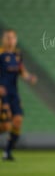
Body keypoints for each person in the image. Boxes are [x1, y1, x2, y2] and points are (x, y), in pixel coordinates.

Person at [0, 29, 37, 161]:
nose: (10, 40)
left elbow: (22, 71)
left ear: (16, 40)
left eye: (13, 38)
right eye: (7, 38)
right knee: (5, 126)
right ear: (3, 39)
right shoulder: (0, 53)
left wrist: (29, 78)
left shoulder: (17, 55)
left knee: (18, 121)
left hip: (13, 93)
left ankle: (7, 153)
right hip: (1, 94)